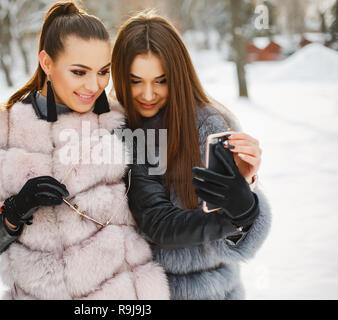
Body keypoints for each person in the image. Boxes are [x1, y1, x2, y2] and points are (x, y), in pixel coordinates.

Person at [0, 2, 169, 300]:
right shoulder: (2, 132)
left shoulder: (118, 126)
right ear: (47, 63)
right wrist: (16, 210)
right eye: (79, 72)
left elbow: (159, 215)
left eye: (103, 72)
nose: (94, 85)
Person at [111, 12, 271, 299]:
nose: (148, 94)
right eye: (136, 81)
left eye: (161, 80)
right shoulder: (107, 127)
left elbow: (232, 243)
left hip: (203, 291)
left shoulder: (209, 126)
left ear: (178, 75)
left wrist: (244, 206)